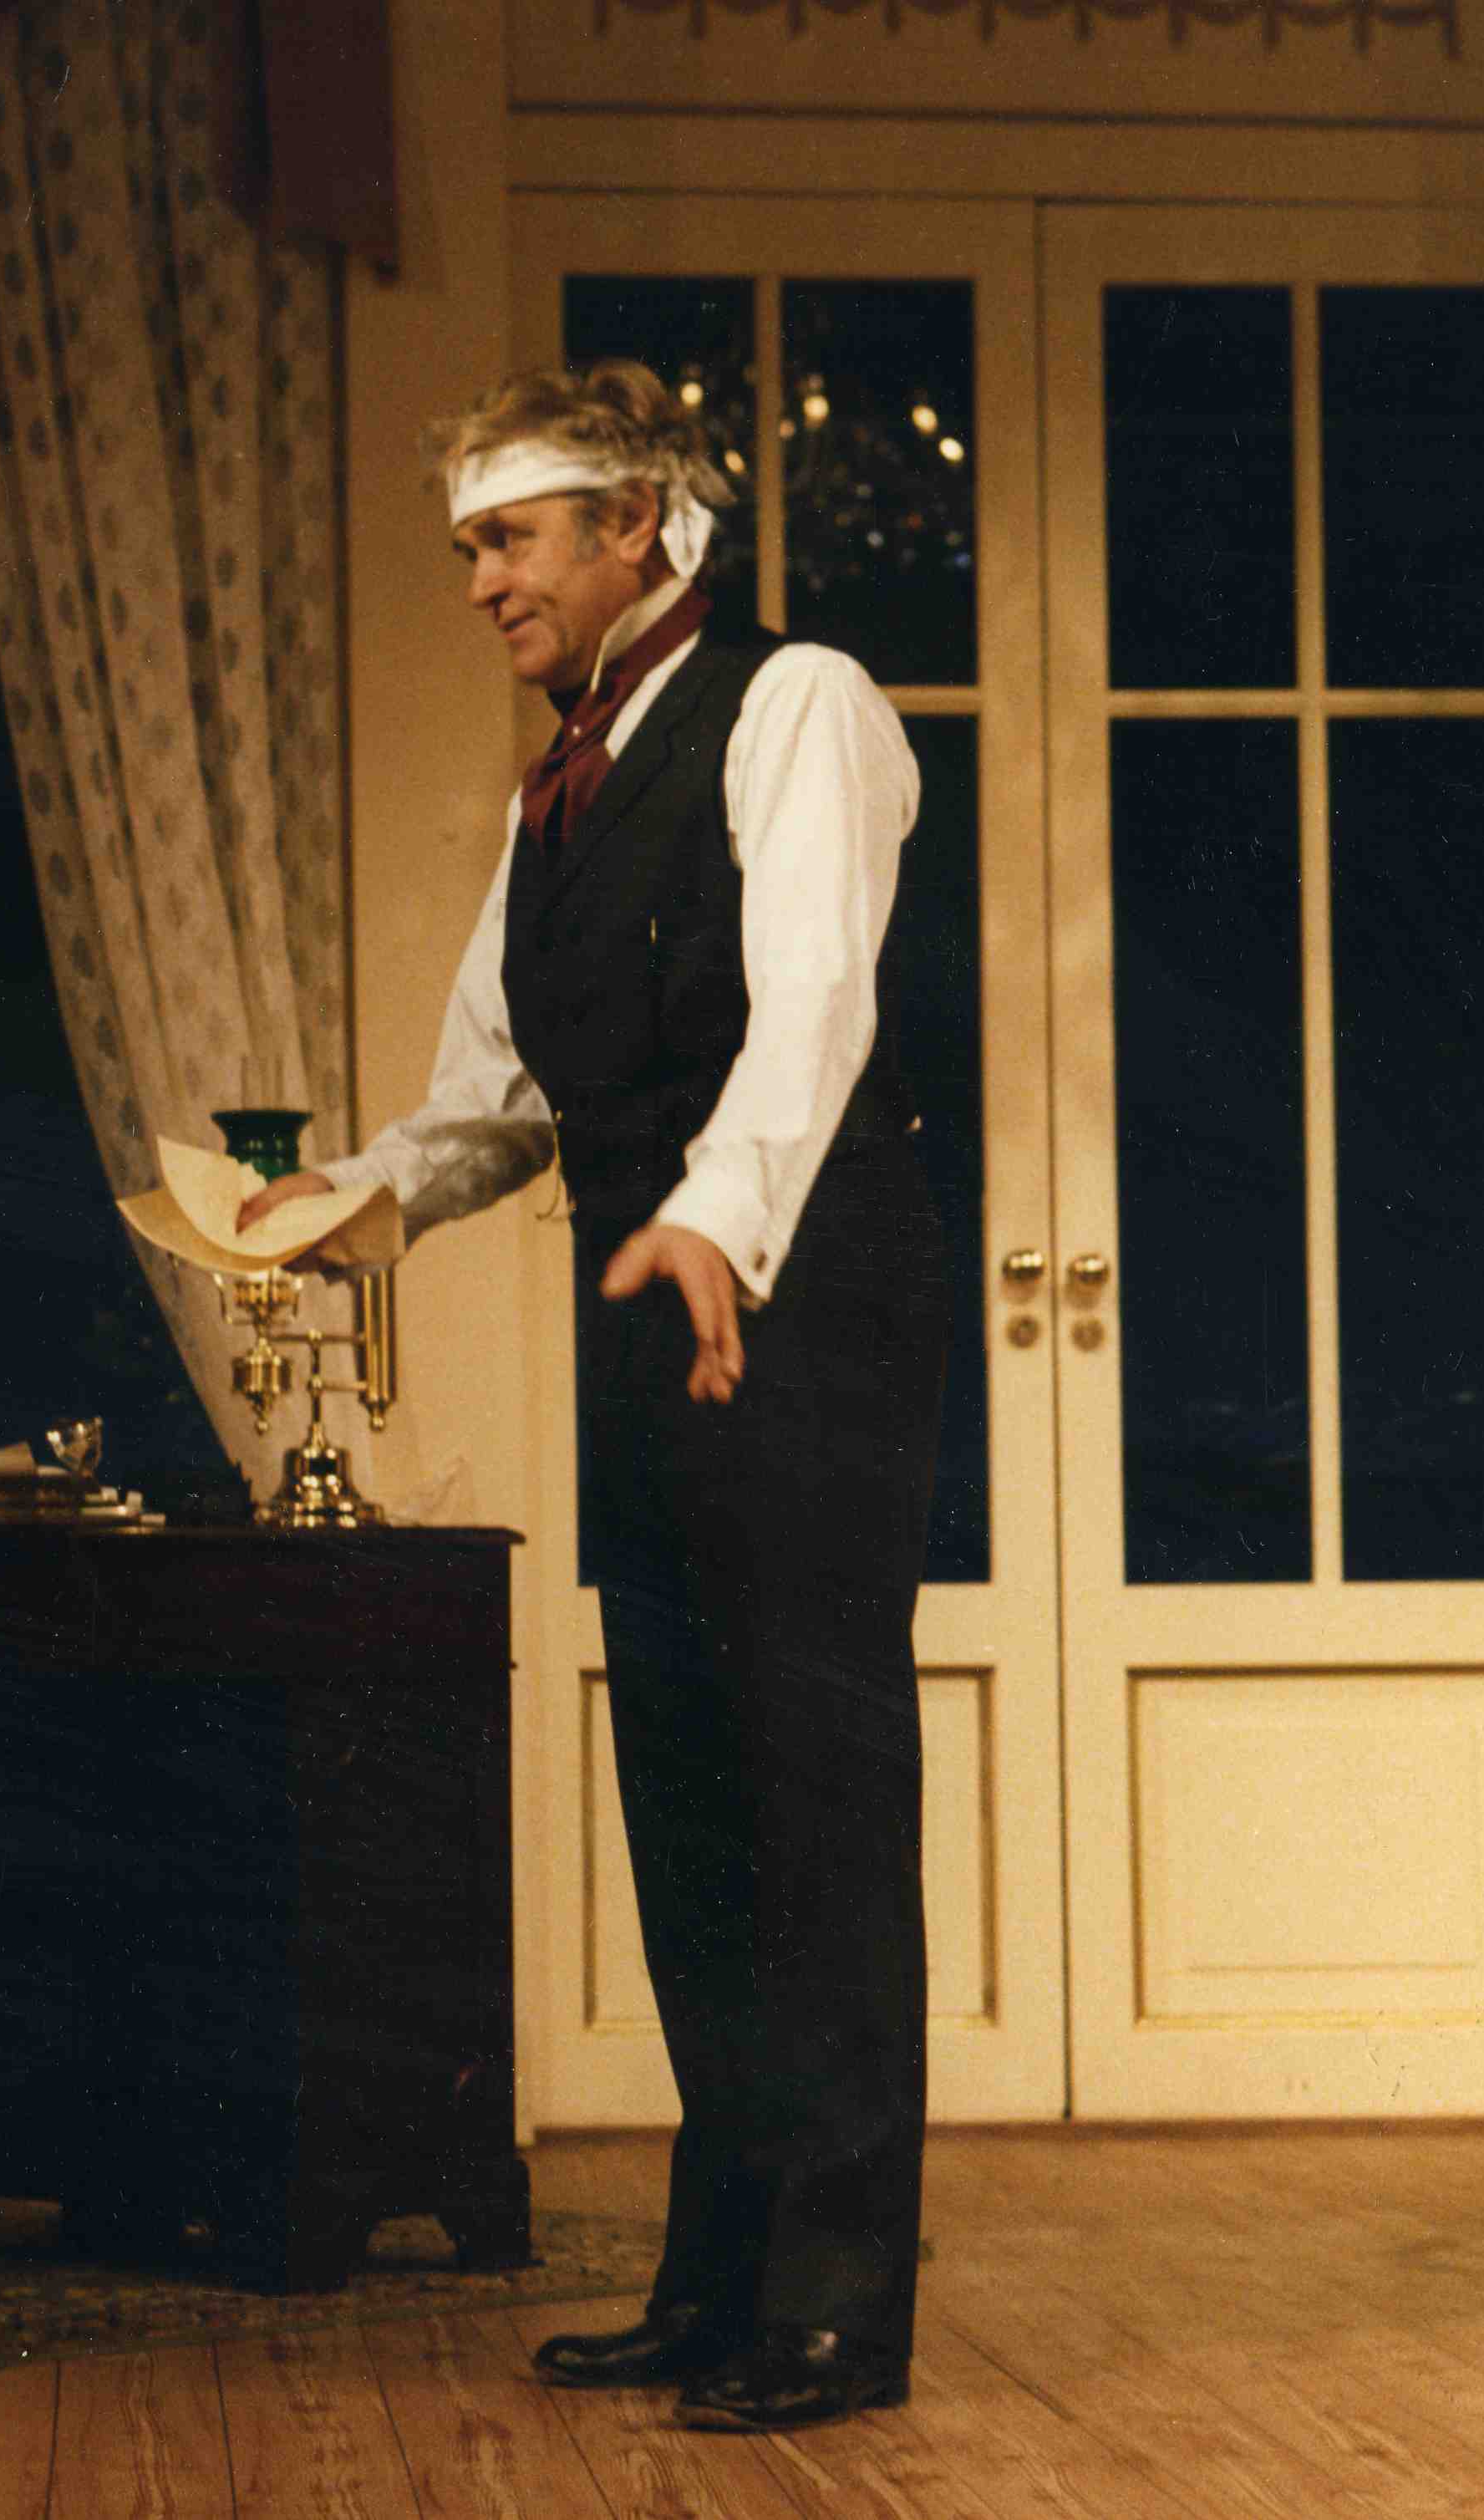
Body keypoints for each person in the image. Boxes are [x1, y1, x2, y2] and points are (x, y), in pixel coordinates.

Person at [246, 359, 945, 2433]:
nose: (481, 580)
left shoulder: (796, 701)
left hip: (793, 1290)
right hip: (648, 1299)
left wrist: (721, 1218)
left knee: (814, 1797)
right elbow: (497, 1098)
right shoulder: (559, 787)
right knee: (691, 1795)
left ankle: (838, 2300)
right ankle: (719, 2278)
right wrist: (353, 1196)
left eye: (511, 537)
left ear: (636, 525)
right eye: (468, 544)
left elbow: (814, 1003)